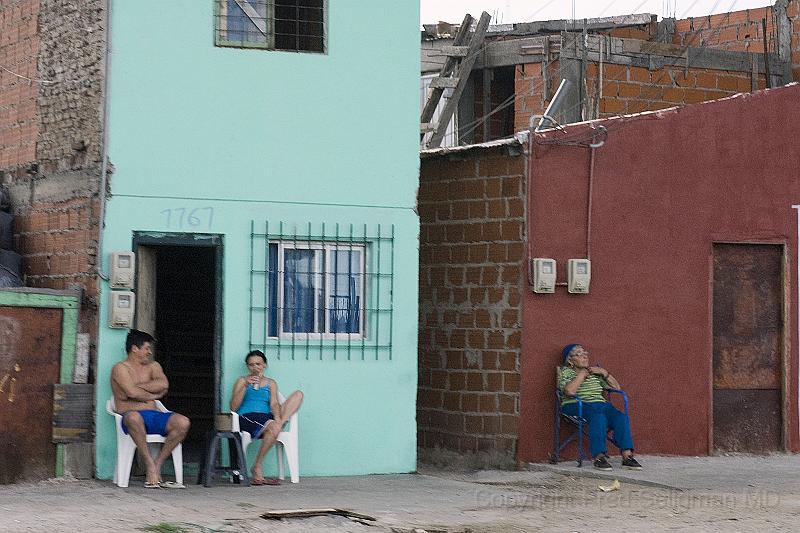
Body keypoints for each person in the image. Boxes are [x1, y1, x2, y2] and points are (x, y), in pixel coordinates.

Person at [111, 329, 190, 488]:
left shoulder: (153, 366)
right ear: (134, 348)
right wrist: (153, 395)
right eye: (146, 348)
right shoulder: (120, 368)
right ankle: (149, 464)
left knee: (183, 422)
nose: (149, 352)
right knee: (134, 417)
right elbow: (130, 392)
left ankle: (157, 463)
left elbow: (163, 385)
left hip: (154, 415)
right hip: (130, 416)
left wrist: (138, 389)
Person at [558, 343, 643, 471]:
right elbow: (569, 391)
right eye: (579, 354)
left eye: (585, 353)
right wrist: (581, 375)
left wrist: (604, 372)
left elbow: (617, 388)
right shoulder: (565, 372)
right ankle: (599, 457)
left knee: (621, 417)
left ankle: (627, 456)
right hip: (576, 404)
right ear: (570, 360)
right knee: (598, 417)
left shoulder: (595, 373)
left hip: (600, 404)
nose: (585, 356)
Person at [230, 349, 304, 486]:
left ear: (264, 365)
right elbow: (233, 407)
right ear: (247, 366)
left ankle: (257, 464)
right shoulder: (241, 381)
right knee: (274, 427)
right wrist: (246, 385)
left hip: (266, 418)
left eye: (258, 364)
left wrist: (277, 417)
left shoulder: (271, 383)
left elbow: (274, 403)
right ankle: (258, 466)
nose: (255, 367)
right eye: (251, 365)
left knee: (298, 394)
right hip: (248, 417)